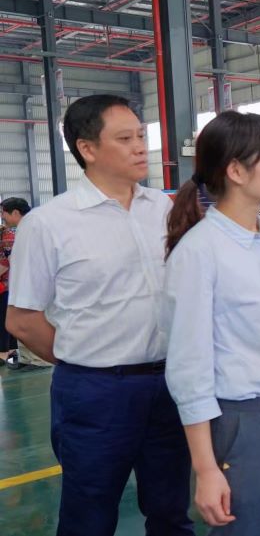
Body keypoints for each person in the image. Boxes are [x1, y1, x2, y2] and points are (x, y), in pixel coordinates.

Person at [5, 94, 193, 536]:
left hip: (170, 384)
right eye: (125, 139)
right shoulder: (49, 223)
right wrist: (84, 359)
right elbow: (22, 320)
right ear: (87, 148)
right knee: (89, 514)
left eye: (141, 136)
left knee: (171, 510)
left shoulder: (164, 209)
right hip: (95, 393)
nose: (140, 147)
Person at [164, 111, 260, 535]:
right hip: (242, 420)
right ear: (236, 171)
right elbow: (189, 369)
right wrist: (206, 468)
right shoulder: (200, 252)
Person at [1, 197, 30, 368]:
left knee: (12, 319)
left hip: (16, 284)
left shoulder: (13, 233)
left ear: (15, 213)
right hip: (16, 283)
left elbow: (9, 261)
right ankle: (21, 355)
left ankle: (34, 359)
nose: (2, 216)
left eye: (3, 213)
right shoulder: (19, 229)